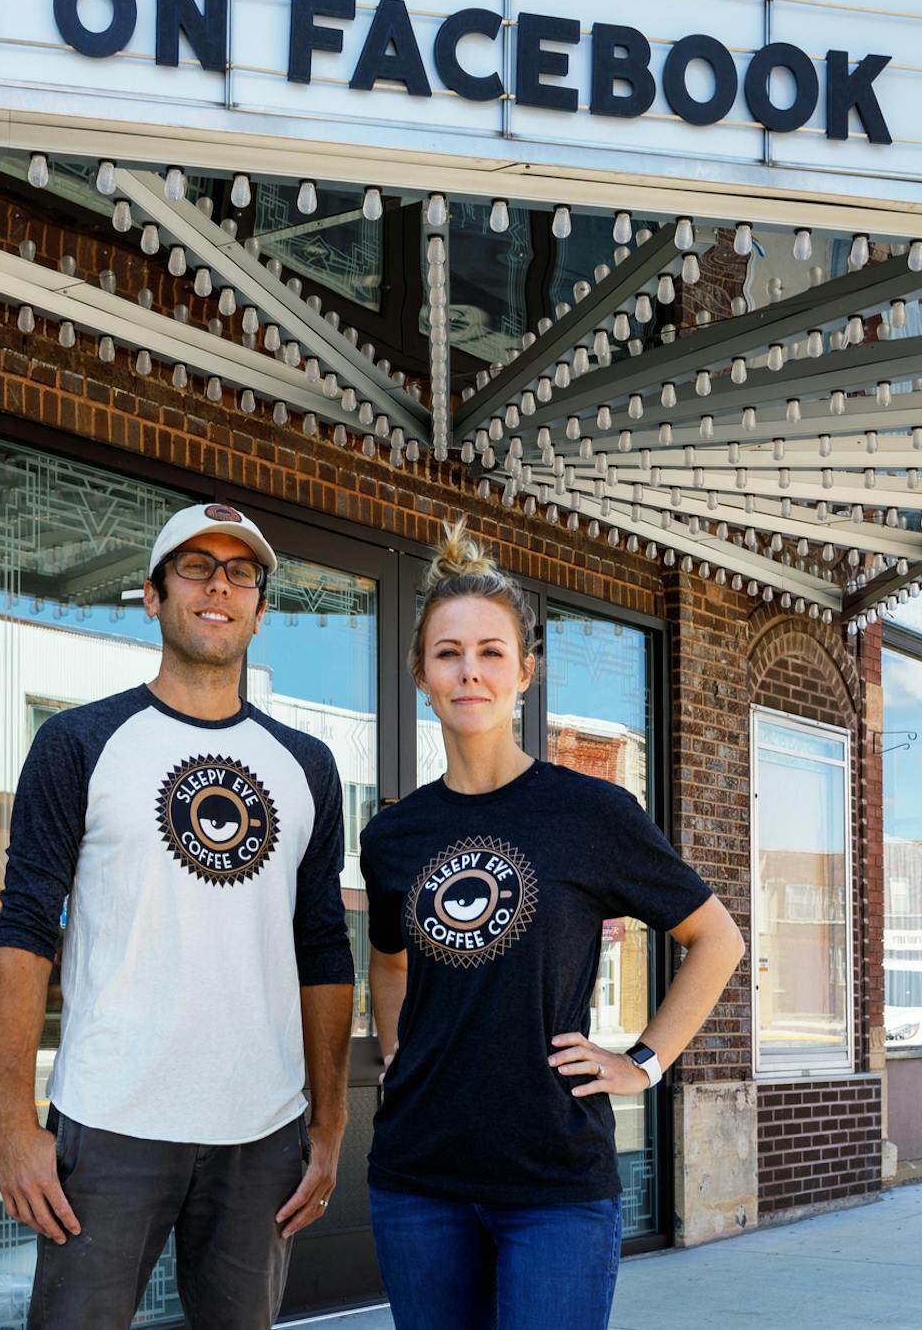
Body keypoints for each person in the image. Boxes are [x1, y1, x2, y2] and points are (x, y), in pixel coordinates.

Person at [359, 525, 745, 1330]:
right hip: (418, 1177)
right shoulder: (394, 834)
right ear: (422, 674)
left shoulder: (591, 812)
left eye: (491, 652)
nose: (470, 670)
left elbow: (718, 939)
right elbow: (389, 961)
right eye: (448, 653)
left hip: (555, 1182)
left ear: (524, 673)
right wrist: (398, 1054)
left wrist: (643, 1061)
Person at [0, 502, 355, 1330]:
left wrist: (330, 1122)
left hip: (262, 1131)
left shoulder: (307, 766)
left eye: (240, 572)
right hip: (109, 1122)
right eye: (195, 566)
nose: (219, 585)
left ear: (260, 609)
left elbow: (324, 946)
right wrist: (12, 1120)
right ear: (152, 596)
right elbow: (25, 928)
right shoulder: (80, 741)